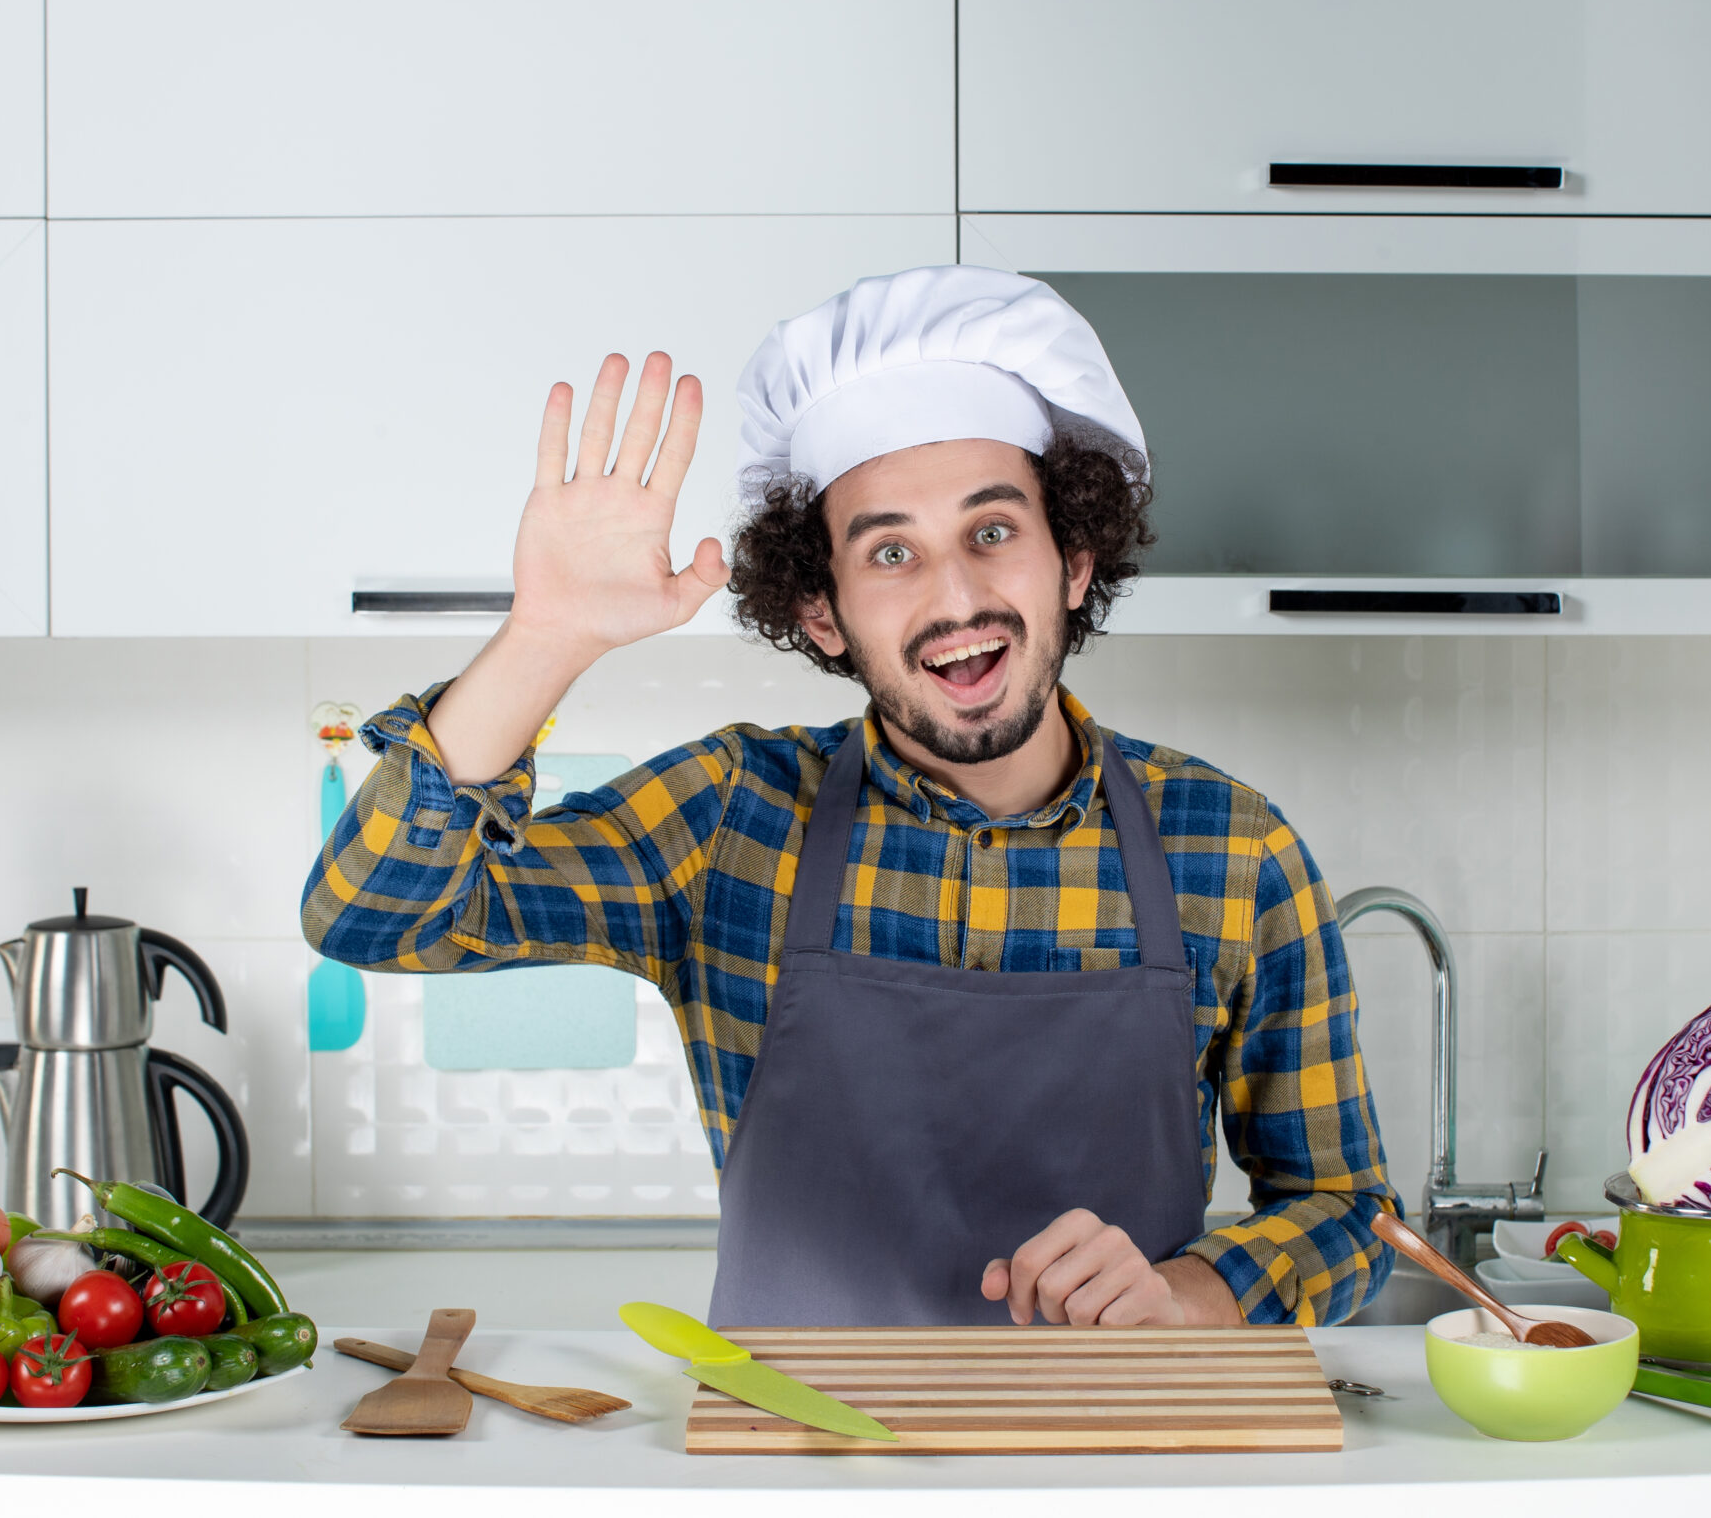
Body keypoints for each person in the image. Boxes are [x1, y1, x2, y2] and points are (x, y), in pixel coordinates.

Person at [303, 266, 1397, 1327]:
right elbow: (375, 916)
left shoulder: (1229, 848)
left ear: (1072, 560)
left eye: (994, 531)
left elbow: (1348, 1214)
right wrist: (542, 643)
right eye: (889, 553)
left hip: (1107, 1461)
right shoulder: (732, 818)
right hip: (794, 1467)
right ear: (824, 616)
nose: (956, 595)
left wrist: (1189, 1293)